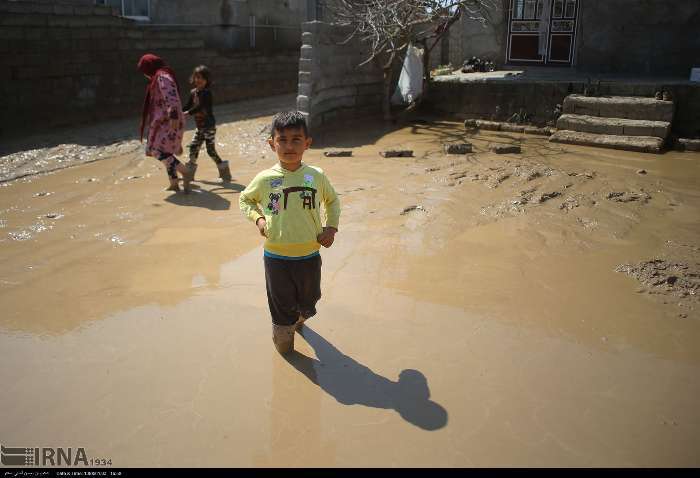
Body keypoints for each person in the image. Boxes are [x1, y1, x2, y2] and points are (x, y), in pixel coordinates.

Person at [239, 111, 340, 354]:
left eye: (296, 139)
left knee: (309, 303)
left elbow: (333, 201)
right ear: (271, 143)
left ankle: (298, 319)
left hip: (309, 256)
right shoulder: (265, 179)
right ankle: (284, 346)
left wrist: (331, 227)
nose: (289, 146)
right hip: (276, 257)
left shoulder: (315, 176)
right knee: (281, 311)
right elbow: (245, 200)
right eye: (282, 139)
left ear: (307, 143)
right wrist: (259, 219)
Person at [137, 53, 194, 192]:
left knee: (157, 151)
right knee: (166, 151)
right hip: (163, 121)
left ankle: (185, 171)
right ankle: (174, 183)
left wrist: (173, 115)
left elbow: (171, 96)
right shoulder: (160, 76)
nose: (145, 75)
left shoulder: (162, 76)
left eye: (144, 72)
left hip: (168, 121)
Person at [182, 65, 232, 182]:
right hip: (200, 127)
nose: (198, 80)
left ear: (207, 80)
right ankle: (189, 175)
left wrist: (188, 113)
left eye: (202, 78)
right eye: (197, 77)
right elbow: (188, 106)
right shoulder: (193, 92)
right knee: (194, 147)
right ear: (193, 78)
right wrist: (179, 112)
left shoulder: (207, 94)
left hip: (209, 126)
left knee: (210, 151)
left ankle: (224, 172)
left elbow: (200, 107)